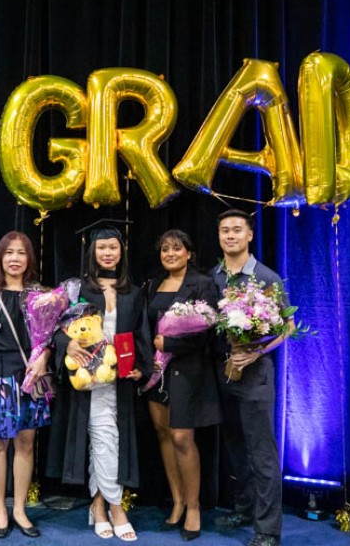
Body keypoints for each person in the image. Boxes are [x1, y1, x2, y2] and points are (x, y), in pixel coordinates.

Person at [46, 224, 153, 542]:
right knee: (103, 438)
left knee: (105, 440)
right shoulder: (78, 290)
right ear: (92, 252)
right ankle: (116, 507)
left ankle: (98, 505)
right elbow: (53, 330)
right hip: (85, 377)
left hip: (117, 379)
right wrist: (68, 345)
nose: (108, 253)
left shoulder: (132, 292)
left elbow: (141, 334)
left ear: (122, 252)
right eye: (102, 248)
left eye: (113, 248)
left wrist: (141, 368)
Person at [210, 209, 295, 546]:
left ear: (249, 236)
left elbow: (287, 326)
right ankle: (244, 508)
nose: (230, 235)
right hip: (221, 374)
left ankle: (268, 529)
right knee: (235, 447)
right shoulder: (213, 276)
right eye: (224, 230)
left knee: (262, 453)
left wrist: (257, 352)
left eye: (236, 230)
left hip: (255, 376)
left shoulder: (266, 277)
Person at [0, 231, 51, 539]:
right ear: (0, 257)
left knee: (26, 443)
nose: (15, 259)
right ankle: (1, 510)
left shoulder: (40, 293)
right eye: (9, 253)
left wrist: (44, 358)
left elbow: (51, 337)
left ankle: (20, 508)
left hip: (30, 378)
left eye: (21, 253)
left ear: (29, 257)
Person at [143, 230, 221, 541]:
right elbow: (144, 327)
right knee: (163, 435)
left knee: (181, 438)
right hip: (155, 372)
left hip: (187, 372)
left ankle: (193, 507)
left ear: (189, 253)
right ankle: (176, 501)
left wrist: (171, 341)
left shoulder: (202, 283)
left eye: (177, 248)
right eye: (165, 249)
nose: (170, 254)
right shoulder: (153, 284)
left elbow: (209, 333)